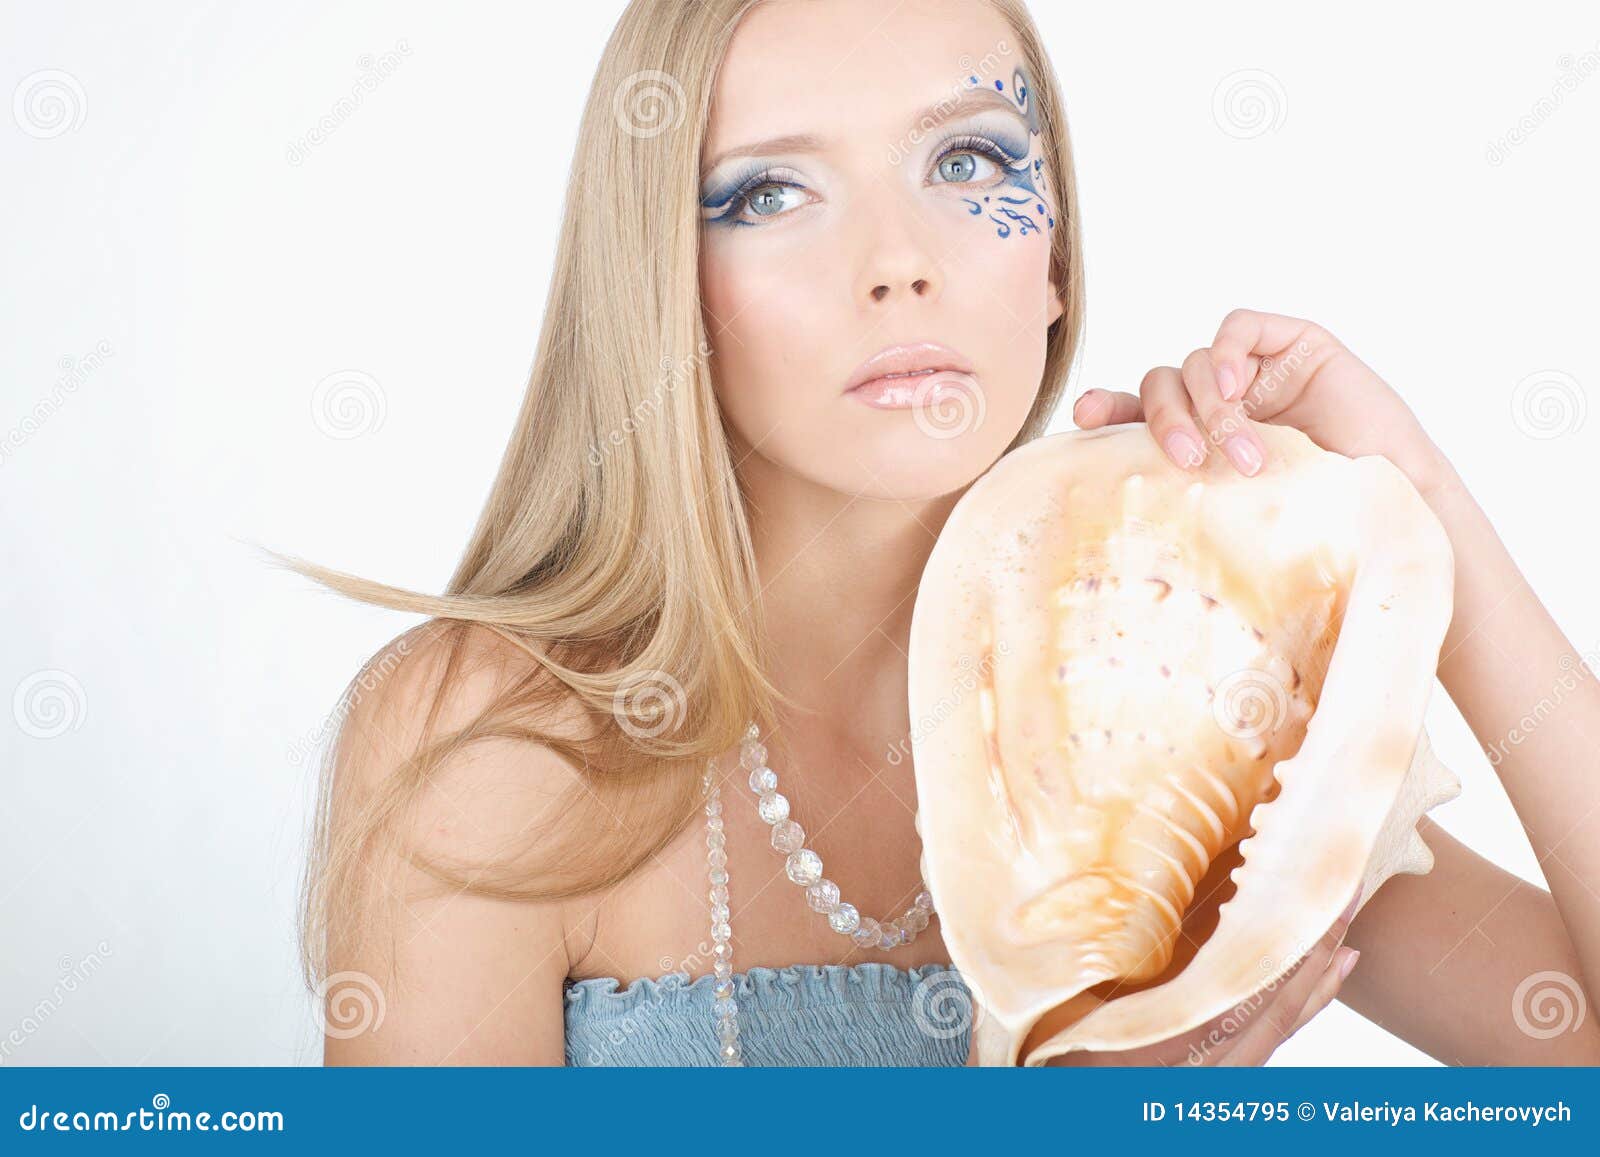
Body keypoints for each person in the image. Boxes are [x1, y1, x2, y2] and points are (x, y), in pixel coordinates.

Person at [279, 0, 1600, 1066]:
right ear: (664, 285)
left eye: (967, 160)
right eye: (773, 193)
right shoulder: (489, 745)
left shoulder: (1199, 683)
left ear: (1057, 260)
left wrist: (1415, 503)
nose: (899, 260)